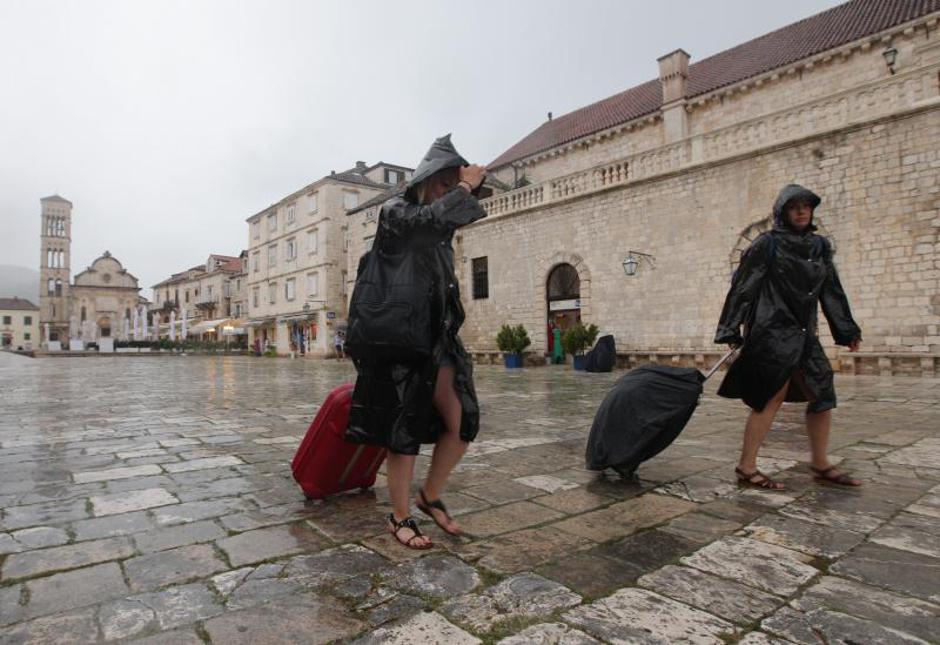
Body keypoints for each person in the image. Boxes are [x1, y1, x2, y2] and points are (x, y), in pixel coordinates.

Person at [346, 135, 487, 549]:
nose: (448, 192)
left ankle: (430, 495)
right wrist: (465, 187)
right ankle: (399, 516)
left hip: (437, 340)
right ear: (425, 180)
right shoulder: (396, 212)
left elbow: (442, 232)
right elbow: (425, 223)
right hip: (400, 342)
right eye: (443, 184)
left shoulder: (440, 235)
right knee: (402, 428)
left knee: (463, 420)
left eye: (452, 186)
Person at [715, 184, 862, 490]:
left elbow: (831, 289)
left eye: (806, 206)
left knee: (822, 393)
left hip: (804, 332)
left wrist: (846, 329)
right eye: (794, 207)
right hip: (771, 331)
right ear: (783, 211)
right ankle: (746, 466)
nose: (801, 212)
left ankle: (820, 462)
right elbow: (743, 287)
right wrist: (730, 328)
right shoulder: (767, 244)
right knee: (771, 394)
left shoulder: (819, 246)